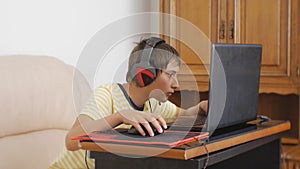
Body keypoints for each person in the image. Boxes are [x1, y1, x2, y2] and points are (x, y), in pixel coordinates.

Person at [49, 37, 208, 169]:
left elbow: (184, 114)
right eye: (171, 75)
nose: (176, 84)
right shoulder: (107, 94)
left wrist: (200, 107)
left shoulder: (153, 104)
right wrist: (119, 116)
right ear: (146, 73)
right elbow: (71, 140)